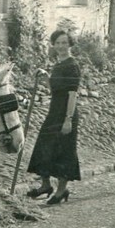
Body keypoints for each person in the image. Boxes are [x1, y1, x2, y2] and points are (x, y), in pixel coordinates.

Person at [26, 28, 82, 205]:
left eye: (64, 43)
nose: (60, 46)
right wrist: (46, 78)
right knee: (44, 146)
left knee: (64, 151)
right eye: (57, 43)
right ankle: (45, 185)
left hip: (66, 113)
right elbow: (55, 90)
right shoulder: (58, 65)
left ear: (70, 44)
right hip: (54, 111)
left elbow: (72, 95)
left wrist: (68, 119)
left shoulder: (72, 66)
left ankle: (61, 190)